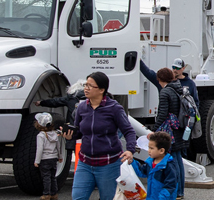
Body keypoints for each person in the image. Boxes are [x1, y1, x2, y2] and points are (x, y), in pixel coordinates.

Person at [63, 72, 137, 200]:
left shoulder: (114, 108)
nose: (86, 88)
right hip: (85, 162)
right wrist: (70, 135)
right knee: (78, 197)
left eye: (91, 86)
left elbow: (129, 131)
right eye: (86, 85)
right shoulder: (81, 107)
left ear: (102, 90)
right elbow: (79, 132)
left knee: (108, 198)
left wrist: (130, 150)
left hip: (109, 163)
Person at [151, 68, 187, 196]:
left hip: (169, 130)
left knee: (173, 162)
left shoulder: (165, 92)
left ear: (160, 79)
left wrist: (154, 129)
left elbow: (162, 114)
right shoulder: (178, 88)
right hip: (178, 127)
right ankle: (180, 191)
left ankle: (176, 191)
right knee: (178, 159)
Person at [130, 131, 179, 200]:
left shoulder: (169, 165)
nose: (148, 151)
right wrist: (132, 161)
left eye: (151, 148)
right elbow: (141, 172)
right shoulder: (150, 162)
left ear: (161, 150)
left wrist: (162, 198)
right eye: (149, 147)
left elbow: (170, 185)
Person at [34, 113, 63, 200]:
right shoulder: (54, 134)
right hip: (53, 158)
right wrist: (60, 156)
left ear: (39, 124)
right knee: (52, 177)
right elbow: (58, 146)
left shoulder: (41, 136)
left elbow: (40, 149)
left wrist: (37, 161)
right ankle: (54, 194)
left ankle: (46, 194)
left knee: (46, 177)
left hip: (45, 159)